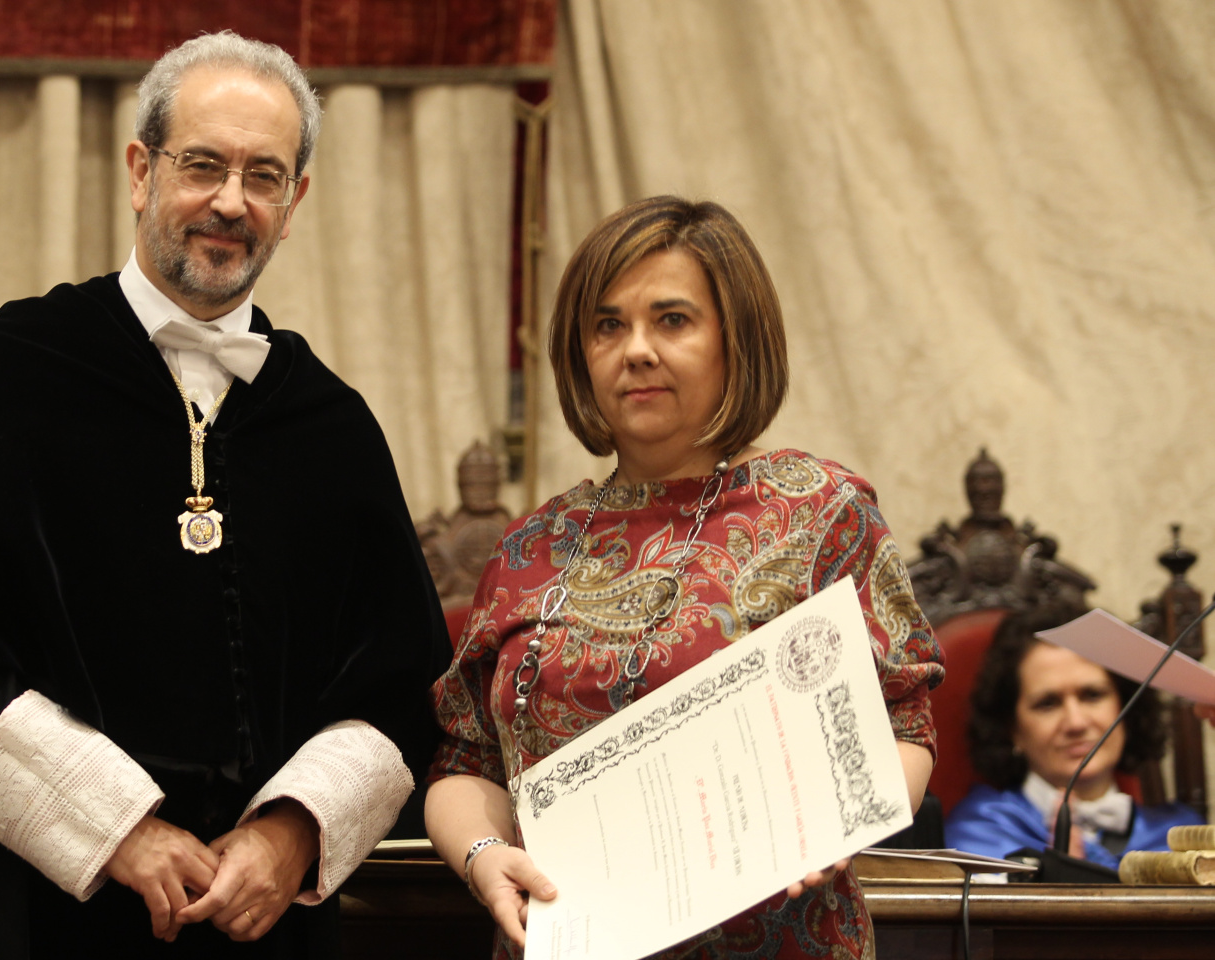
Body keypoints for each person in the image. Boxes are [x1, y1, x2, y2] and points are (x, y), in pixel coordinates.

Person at [0, 31, 450, 959]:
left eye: (264, 175)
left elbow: (397, 689)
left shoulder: (331, 425)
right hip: (12, 916)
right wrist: (118, 829)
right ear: (141, 171)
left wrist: (291, 831)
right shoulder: (2, 375)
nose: (230, 201)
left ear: (294, 202)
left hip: (250, 925)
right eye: (203, 165)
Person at [423, 196, 943, 958]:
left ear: (736, 340)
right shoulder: (531, 545)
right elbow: (466, 760)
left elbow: (906, 725)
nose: (636, 350)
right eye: (608, 325)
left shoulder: (820, 512)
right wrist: (479, 857)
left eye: (672, 320)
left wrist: (845, 812)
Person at [945, 609, 1200, 868]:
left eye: (1092, 695)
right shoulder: (980, 834)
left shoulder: (1179, 837)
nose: (1075, 723)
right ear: (1012, 728)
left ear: (1126, 709)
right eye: (1048, 704)